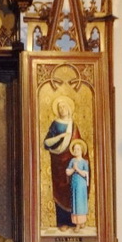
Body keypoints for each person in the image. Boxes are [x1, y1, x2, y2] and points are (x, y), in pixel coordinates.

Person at [43, 95, 86, 230]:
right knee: (60, 190)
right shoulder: (55, 124)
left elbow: (79, 144)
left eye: (63, 106)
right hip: (58, 163)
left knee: (73, 190)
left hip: (72, 162)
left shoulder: (74, 125)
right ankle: (62, 222)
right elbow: (46, 143)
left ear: (68, 108)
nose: (62, 109)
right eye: (59, 107)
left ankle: (75, 221)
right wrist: (61, 136)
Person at [65, 139, 90, 232]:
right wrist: (73, 168)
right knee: (75, 202)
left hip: (81, 185)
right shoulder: (72, 160)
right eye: (74, 149)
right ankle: (77, 223)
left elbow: (85, 174)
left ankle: (80, 224)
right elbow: (68, 172)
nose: (76, 151)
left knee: (80, 203)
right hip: (74, 184)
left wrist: (77, 169)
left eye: (78, 149)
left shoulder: (84, 162)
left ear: (82, 150)